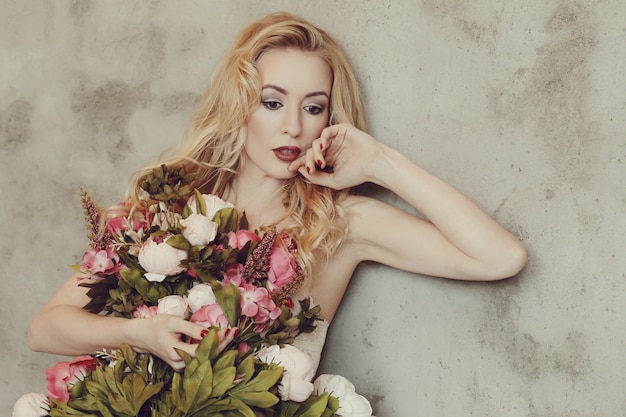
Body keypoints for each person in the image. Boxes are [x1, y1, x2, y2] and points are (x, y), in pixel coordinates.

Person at [28, 12, 527, 376]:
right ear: (238, 106)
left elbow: (499, 257)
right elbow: (46, 328)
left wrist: (382, 162)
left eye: (314, 108)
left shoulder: (340, 224)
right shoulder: (163, 210)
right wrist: (137, 334)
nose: (293, 127)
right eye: (272, 102)